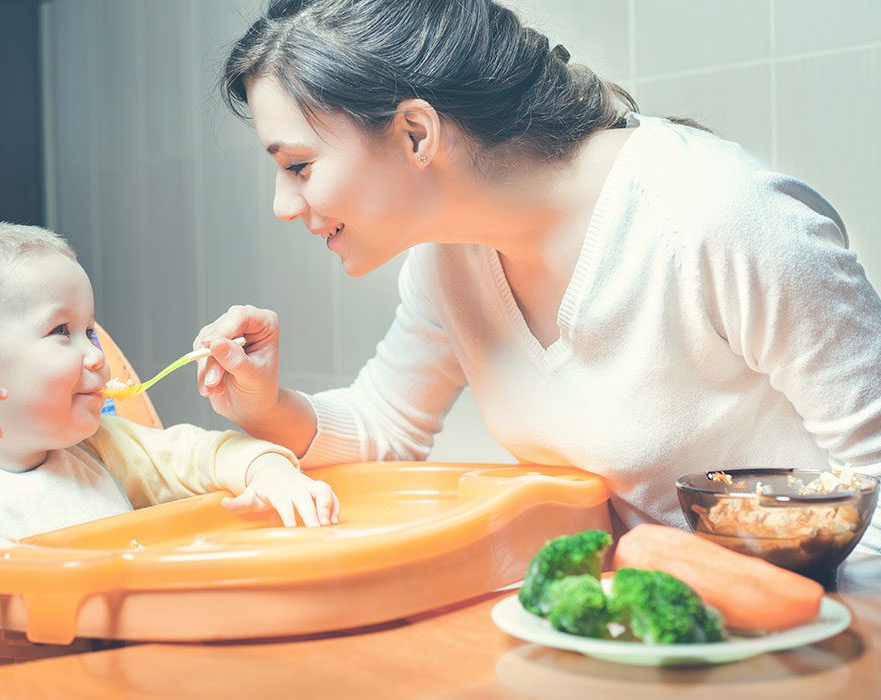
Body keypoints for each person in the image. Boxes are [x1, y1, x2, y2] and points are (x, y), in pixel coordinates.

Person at [193, 0, 881, 554]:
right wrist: (264, 405)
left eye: (299, 166)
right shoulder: (449, 259)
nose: (284, 207)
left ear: (414, 134)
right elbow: (383, 428)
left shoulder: (715, 216)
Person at [0, 223, 339, 622]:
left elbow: (206, 455)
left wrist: (269, 472)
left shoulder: (102, 446)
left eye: (90, 329)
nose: (95, 353)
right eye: (61, 331)